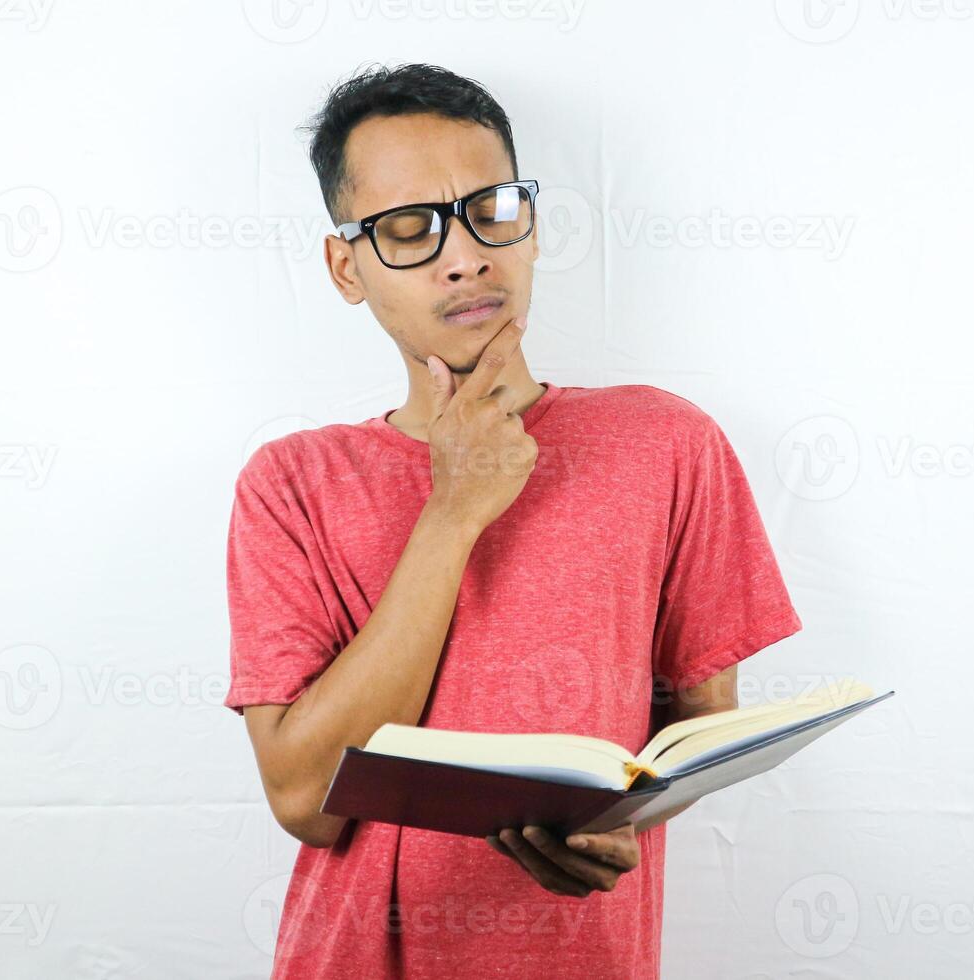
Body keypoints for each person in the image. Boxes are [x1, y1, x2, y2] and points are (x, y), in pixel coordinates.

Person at [223, 62, 803, 979]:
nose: (464, 258)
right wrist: (453, 511)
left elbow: (698, 733)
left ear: (529, 225)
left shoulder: (666, 443)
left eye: (490, 211)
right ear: (345, 267)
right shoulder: (291, 483)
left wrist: (613, 824)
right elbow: (305, 798)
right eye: (408, 231)